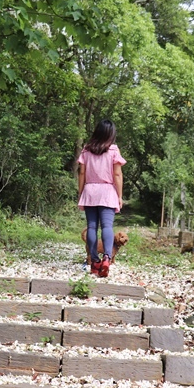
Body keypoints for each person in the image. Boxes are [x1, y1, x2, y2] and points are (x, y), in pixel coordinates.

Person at [77, 119, 126, 278]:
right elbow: (117, 174)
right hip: (107, 192)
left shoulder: (86, 150)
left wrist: (80, 192)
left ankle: (94, 261)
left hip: (90, 190)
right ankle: (107, 258)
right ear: (110, 134)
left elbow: (82, 173)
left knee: (91, 227)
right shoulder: (113, 150)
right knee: (107, 226)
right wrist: (119, 195)